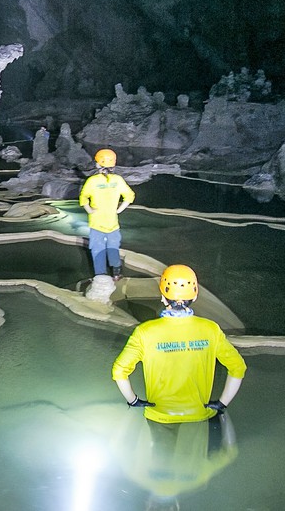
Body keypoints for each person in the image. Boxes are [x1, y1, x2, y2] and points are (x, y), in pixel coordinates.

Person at [112, 264, 246, 424]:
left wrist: (133, 400)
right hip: (198, 414)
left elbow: (119, 371)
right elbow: (238, 367)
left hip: (159, 414)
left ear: (162, 296)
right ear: (195, 297)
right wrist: (222, 403)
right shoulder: (211, 329)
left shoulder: (144, 332)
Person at [79, 148, 135, 280]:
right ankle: (116, 273)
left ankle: (101, 276)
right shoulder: (118, 180)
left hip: (96, 223)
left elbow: (83, 198)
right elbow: (130, 196)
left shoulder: (92, 181)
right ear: (113, 165)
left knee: (98, 249)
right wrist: (119, 210)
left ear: (98, 164)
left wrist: (90, 210)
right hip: (113, 223)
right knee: (113, 247)